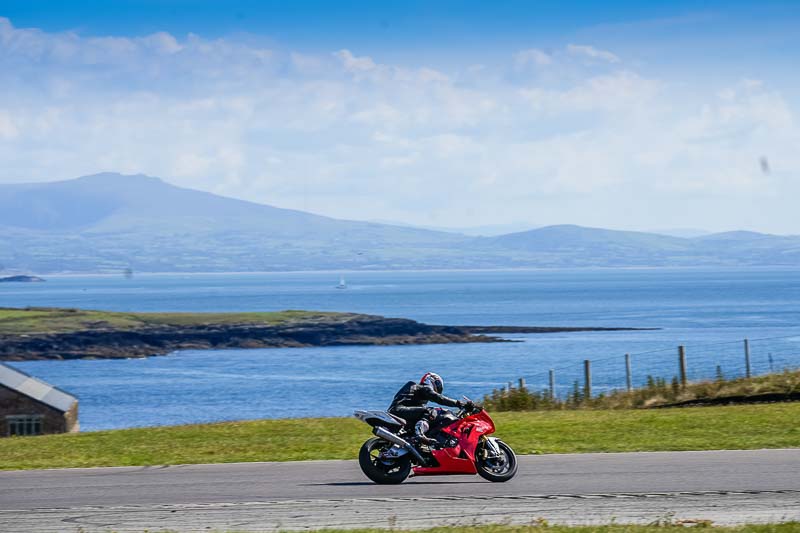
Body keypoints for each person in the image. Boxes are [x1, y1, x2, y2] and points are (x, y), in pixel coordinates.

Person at [388, 372, 474, 444]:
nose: (438, 390)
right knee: (430, 411)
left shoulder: (419, 396)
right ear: (431, 380)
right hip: (398, 410)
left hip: (402, 412)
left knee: (428, 416)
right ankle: (419, 434)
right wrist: (459, 403)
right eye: (438, 386)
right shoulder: (423, 387)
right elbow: (438, 398)